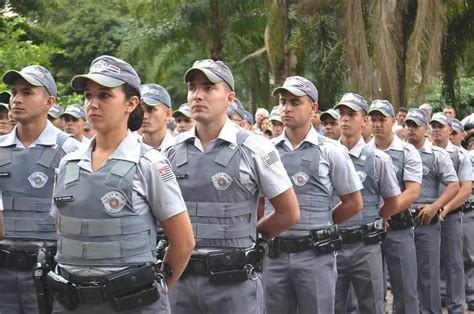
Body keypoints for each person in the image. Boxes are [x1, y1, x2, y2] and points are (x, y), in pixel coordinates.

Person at [49, 55, 195, 313]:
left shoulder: (149, 163)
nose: (92, 104)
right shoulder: (68, 164)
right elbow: (62, 230)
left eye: (104, 96)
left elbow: (183, 242)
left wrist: (152, 291)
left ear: (131, 103)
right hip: (72, 303)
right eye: (88, 96)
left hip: (130, 304)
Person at [165, 59, 300, 314]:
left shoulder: (254, 148)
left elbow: (289, 212)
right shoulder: (171, 151)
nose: (197, 95)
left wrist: (252, 234)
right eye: (192, 87)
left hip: (233, 283)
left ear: (229, 98)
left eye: (208, 87)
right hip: (182, 282)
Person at [262, 76, 363, 314]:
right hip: (274, 256)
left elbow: (353, 202)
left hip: (315, 256)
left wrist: (322, 222)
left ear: (313, 108)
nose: (286, 108)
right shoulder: (266, 151)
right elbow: (259, 202)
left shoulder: (331, 151)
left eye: (295, 102)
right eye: (283, 101)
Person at [0, 64, 81, 313]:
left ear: (49, 101)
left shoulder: (69, 150)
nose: (17, 99)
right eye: (14, 92)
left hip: (48, 273)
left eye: (27, 92)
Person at [334, 93, 401, 314]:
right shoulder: (326, 155)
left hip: (365, 245)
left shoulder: (378, 159)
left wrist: (375, 217)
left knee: (372, 305)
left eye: (351, 114)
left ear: (364, 121)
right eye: (341, 114)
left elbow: (392, 201)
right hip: (331, 244)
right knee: (331, 306)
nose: (344, 119)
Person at [368, 100, 422, 313]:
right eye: (374, 119)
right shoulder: (360, 152)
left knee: (406, 292)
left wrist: (384, 213)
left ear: (393, 121)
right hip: (368, 231)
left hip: (398, 228)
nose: (377, 124)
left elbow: (412, 191)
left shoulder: (406, 151)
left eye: (382, 119)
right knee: (370, 292)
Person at [404, 108, 460, 313]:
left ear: (425, 129)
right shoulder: (399, 152)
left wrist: (435, 207)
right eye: (408, 125)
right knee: (405, 276)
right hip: (401, 222)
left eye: (415, 126)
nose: (411, 130)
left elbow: (454, 185)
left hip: (426, 222)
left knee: (428, 275)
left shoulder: (437, 155)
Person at [429, 113, 472, 313]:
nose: (436, 129)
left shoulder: (460, 155)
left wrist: (446, 208)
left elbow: (465, 188)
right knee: (430, 263)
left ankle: (456, 306)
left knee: (454, 261)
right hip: (426, 216)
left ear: (450, 130)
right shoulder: (421, 153)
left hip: (452, 215)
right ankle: (434, 303)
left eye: (441, 126)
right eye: (433, 126)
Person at [140, 83, 175, 152]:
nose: (144, 116)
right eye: (140, 110)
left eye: (151, 109)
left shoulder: (179, 151)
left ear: (168, 114)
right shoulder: (129, 150)